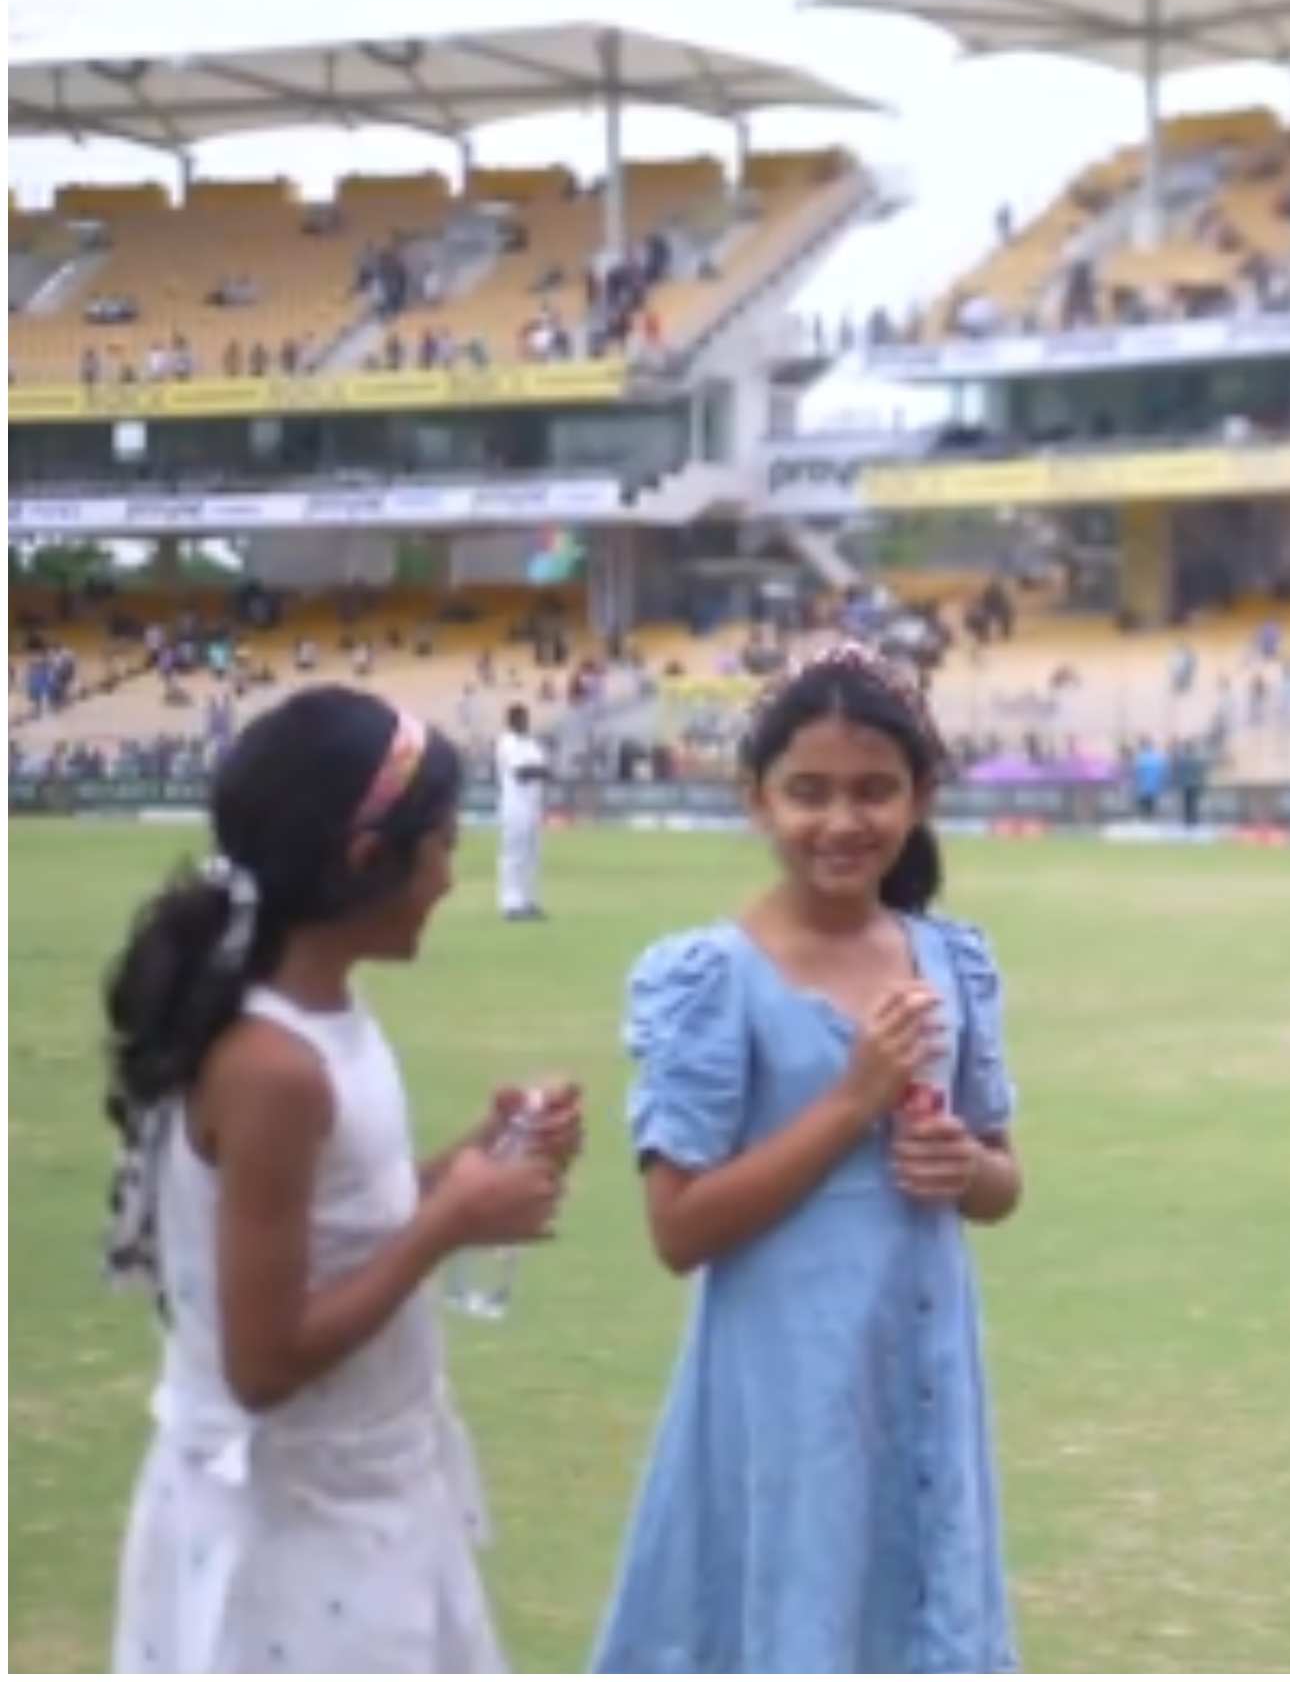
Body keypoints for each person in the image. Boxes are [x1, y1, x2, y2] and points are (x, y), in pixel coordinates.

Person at [101, 688, 584, 1672]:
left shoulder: (324, 1021)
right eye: (443, 845)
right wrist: (447, 1224)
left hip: (369, 1497)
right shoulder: (271, 1066)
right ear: (365, 861)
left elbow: (331, 1221)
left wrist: (471, 1161)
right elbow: (264, 1362)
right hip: (289, 1535)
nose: (452, 876)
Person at [592, 643, 1021, 1672]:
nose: (843, 822)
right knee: (795, 1610)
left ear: (919, 798)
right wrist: (852, 1101)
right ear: (756, 800)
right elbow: (678, 1227)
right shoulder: (711, 979)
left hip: (922, 1369)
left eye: (875, 791)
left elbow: (1004, 1182)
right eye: (809, 793)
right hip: (784, 1387)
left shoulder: (949, 961)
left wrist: (962, 1165)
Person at [494, 705, 550, 922]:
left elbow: (541, 769)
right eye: (521, 718)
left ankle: (528, 899)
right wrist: (542, 771)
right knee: (513, 854)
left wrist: (541, 771)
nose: (525, 722)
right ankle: (511, 903)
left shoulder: (529, 743)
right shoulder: (507, 743)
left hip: (533, 803)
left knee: (532, 854)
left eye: (526, 718)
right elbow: (521, 773)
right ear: (511, 720)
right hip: (514, 805)